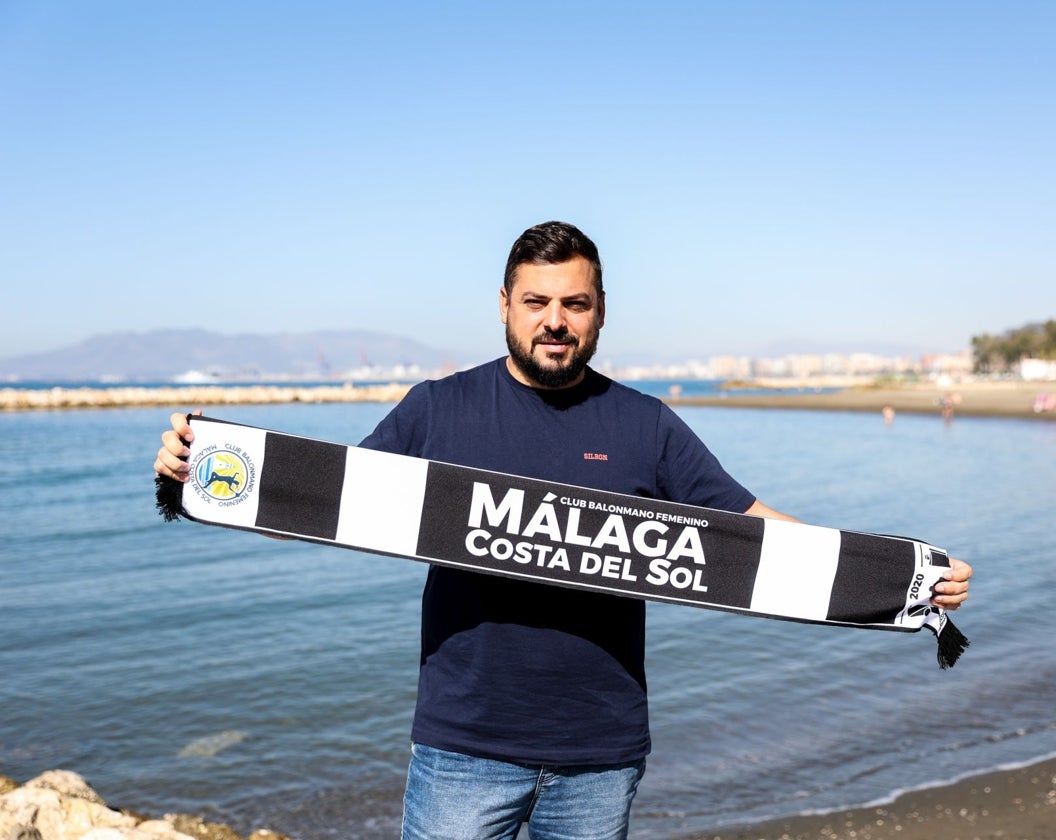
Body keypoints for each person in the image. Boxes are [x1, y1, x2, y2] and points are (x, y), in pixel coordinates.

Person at [154, 221, 973, 840]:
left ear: (601, 312)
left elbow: (756, 535)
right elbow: (318, 509)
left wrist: (901, 580)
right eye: (537, 302)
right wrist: (201, 473)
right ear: (505, 306)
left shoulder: (645, 424)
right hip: (463, 747)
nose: (555, 320)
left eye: (574, 304)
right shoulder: (440, 409)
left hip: (601, 751)